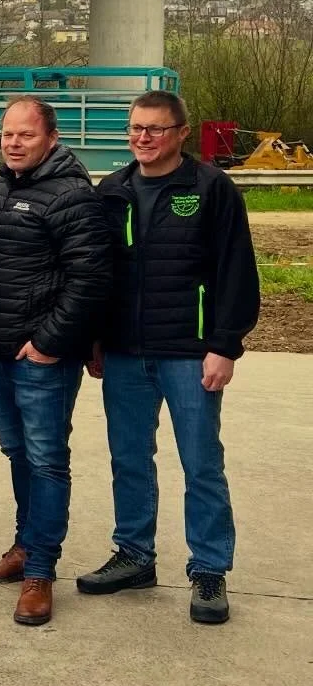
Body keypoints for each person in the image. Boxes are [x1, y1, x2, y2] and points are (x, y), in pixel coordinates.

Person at [78, 90, 260, 627]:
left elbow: (237, 274)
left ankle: (208, 569)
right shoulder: (112, 192)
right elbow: (97, 275)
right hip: (125, 354)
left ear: (182, 133)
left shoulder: (211, 189)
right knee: (129, 459)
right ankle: (134, 555)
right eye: (136, 128)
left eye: (156, 129)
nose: (143, 138)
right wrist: (93, 337)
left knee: (201, 463)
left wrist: (225, 345)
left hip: (190, 353)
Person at [0, 97, 110, 627]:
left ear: (51, 139)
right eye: (7, 134)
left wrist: (51, 341)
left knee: (47, 460)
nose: (12, 143)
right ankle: (24, 548)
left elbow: (90, 279)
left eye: (24, 135)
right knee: (19, 456)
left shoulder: (72, 194)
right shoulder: (5, 185)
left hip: (41, 358)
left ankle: (41, 573)